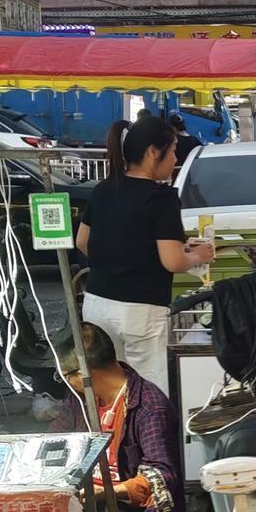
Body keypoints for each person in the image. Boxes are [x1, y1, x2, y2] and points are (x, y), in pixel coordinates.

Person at [75, 114, 214, 392]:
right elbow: (173, 261)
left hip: (97, 304)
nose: (175, 159)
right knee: (150, 391)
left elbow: (82, 241)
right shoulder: (161, 198)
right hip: (141, 311)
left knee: (111, 390)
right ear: (153, 152)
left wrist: (120, 256)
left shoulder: (104, 189)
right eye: (172, 150)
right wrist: (199, 256)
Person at [65, 322, 186, 512]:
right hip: (90, 507)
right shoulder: (79, 399)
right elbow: (57, 437)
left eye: (66, 376)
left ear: (84, 373)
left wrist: (107, 492)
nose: (67, 384)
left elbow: (162, 476)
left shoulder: (149, 406)